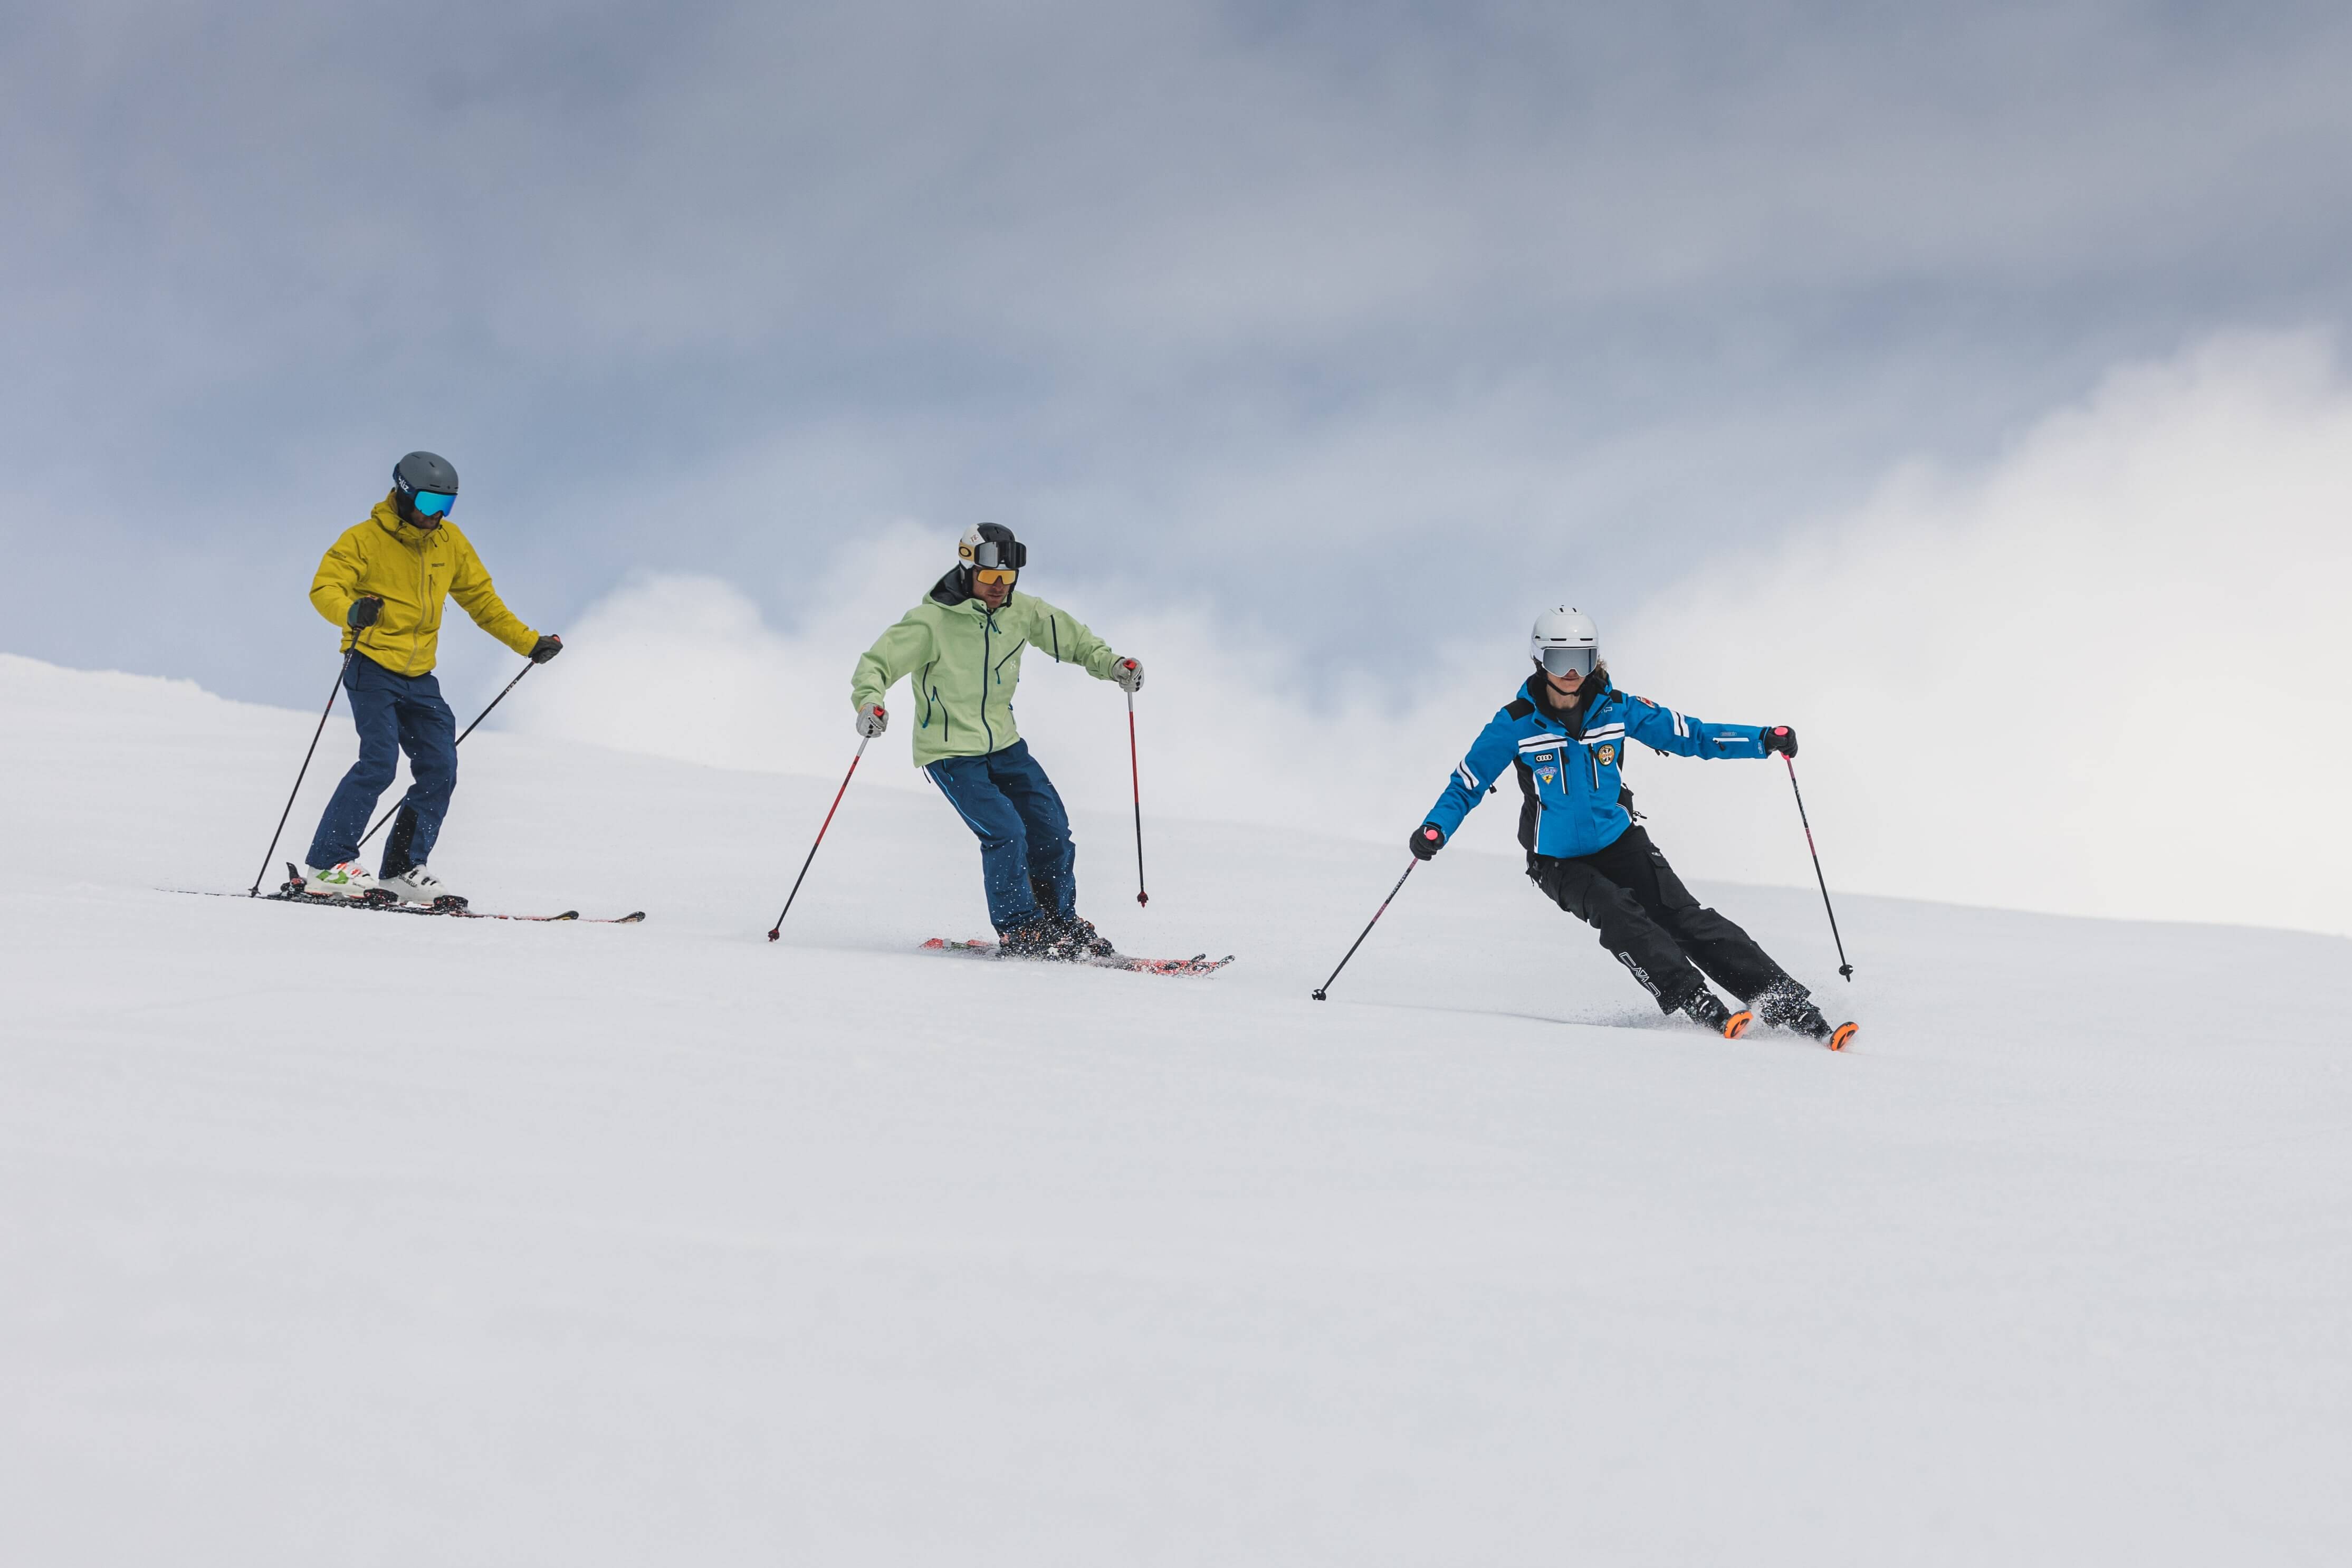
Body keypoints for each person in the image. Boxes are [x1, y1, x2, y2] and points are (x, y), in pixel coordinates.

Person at [1409, 606, 1855, 1046]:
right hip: (1557, 861)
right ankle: (1693, 997)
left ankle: (1787, 1003)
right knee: (1617, 910)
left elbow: (1691, 735)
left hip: (1620, 841)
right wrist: (1436, 829)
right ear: (1539, 661)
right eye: (1559, 661)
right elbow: (1467, 783)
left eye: (1581, 661)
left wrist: (1761, 739)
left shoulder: (1617, 709)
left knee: (1687, 919)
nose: (1571, 673)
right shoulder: (1515, 725)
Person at [852, 523, 1143, 958]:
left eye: (1007, 580)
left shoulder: (1022, 612)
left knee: (1052, 829)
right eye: (990, 579)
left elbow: (1076, 641)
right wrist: (869, 703)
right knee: (1006, 832)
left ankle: (1059, 922)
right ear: (968, 570)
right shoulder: (931, 622)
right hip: (950, 753)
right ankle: (1021, 929)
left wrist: (1114, 664)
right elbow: (877, 664)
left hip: (1005, 746)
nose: (998, 589)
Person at [299, 451, 562, 904]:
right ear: (403, 495)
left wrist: (529, 642)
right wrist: (351, 611)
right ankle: (328, 864)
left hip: (420, 677)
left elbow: (482, 601)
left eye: (447, 506)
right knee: (378, 763)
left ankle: (401, 869)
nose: (435, 516)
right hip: (371, 665)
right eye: (427, 502)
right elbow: (325, 587)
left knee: (441, 768)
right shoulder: (363, 540)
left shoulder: (449, 542)